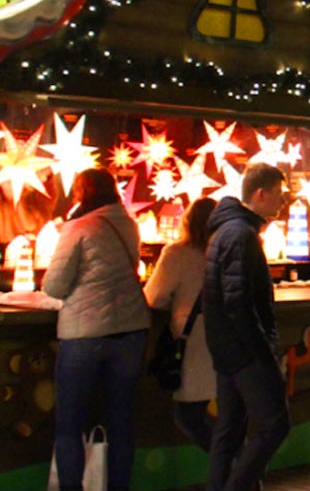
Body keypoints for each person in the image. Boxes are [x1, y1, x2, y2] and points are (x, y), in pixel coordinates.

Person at [43, 168, 151, 491]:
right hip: (130, 332)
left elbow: (54, 285)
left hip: (84, 335)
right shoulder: (129, 224)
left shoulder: (77, 227)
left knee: (69, 426)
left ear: (81, 192)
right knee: (120, 422)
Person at [204, 162, 292, 491]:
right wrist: (263, 351)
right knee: (275, 423)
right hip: (244, 350)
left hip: (226, 348)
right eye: (279, 195)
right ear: (260, 193)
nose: (283, 202)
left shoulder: (228, 230)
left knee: (229, 430)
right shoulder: (240, 234)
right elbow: (238, 301)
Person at [145, 197, 218, 451]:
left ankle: (237, 468)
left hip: (195, 342)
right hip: (228, 340)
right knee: (223, 415)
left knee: (188, 415)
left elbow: (154, 297)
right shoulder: (231, 253)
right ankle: (237, 472)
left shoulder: (177, 253)